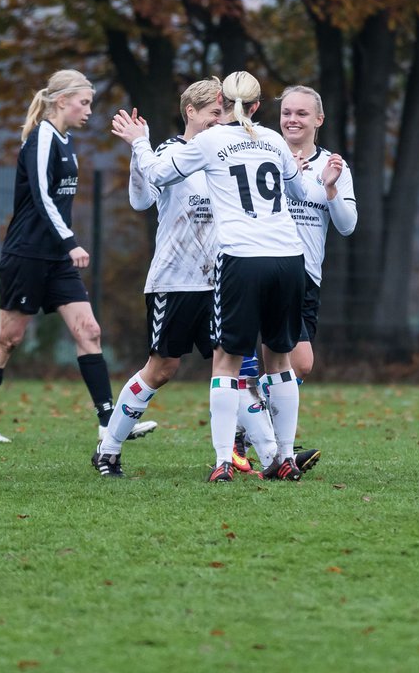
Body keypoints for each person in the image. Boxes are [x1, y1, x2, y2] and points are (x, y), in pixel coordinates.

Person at [111, 70, 308, 482]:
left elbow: (161, 172)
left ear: (234, 108)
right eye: (210, 112)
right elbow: (143, 193)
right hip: (198, 274)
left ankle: (249, 457)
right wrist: (140, 152)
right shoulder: (269, 139)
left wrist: (137, 143)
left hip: (232, 266)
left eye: (222, 110)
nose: (218, 118)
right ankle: (109, 448)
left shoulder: (213, 142)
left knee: (232, 364)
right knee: (174, 368)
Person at [0, 69, 154, 452]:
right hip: (28, 255)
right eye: (84, 102)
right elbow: (40, 197)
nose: (88, 110)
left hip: (57, 259)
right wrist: (70, 241)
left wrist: (64, 247)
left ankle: (108, 424)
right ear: (61, 101)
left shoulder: (67, 141)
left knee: (89, 331)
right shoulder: (42, 139)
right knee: (9, 338)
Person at [234, 84, 357, 470]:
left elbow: (348, 226)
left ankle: (251, 436)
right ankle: (264, 445)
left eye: (302, 113)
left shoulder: (331, 165)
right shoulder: (262, 155)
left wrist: (330, 187)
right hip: (260, 266)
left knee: (294, 365)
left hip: (304, 277)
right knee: (281, 361)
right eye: (287, 112)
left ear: (318, 120)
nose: (292, 119)